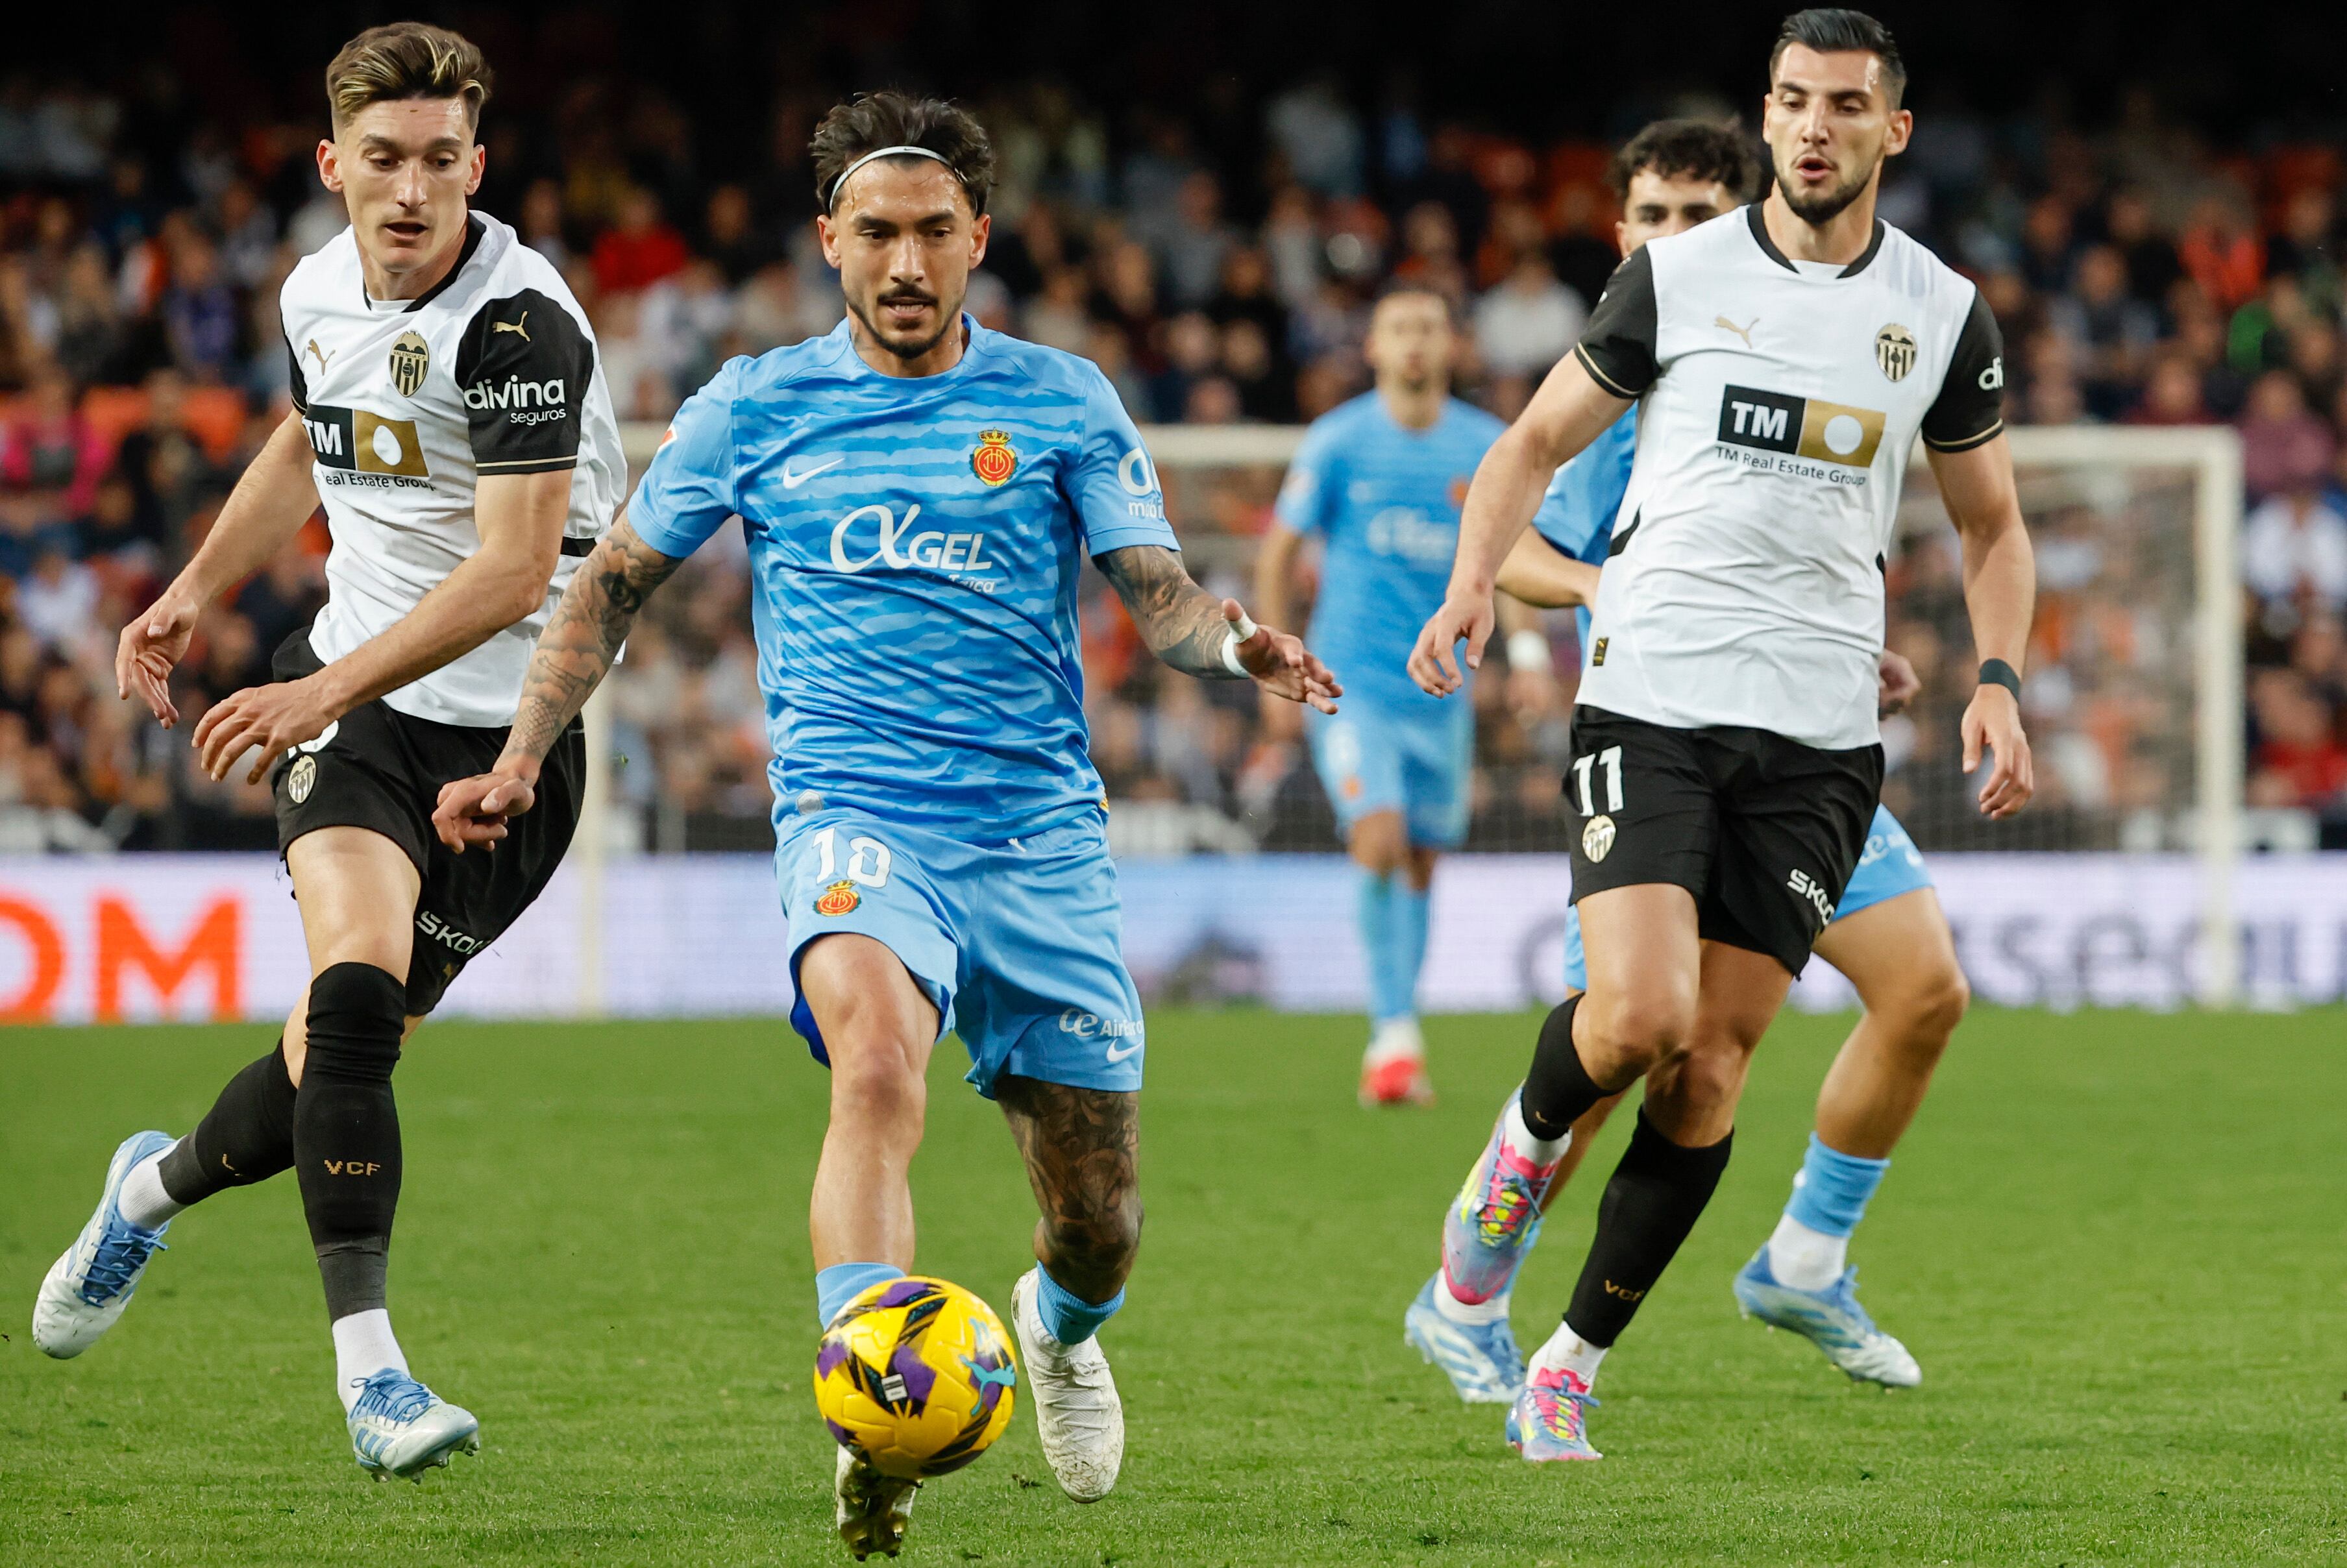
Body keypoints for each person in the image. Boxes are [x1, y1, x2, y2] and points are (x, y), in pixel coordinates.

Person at [429, 93, 1337, 1559]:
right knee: (872, 1071)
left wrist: (1237, 645)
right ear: (828, 242)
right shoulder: (752, 404)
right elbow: (609, 583)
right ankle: (875, 1420)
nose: (904, 263)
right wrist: (524, 753)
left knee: (1098, 1215)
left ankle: (1057, 1331)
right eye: (875, 234)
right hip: (857, 814)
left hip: (1036, 837)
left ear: (978, 238)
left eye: (932, 232)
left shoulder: (1061, 398)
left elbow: (1159, 595)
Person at [1409, 9, 2035, 1462]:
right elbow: (1527, 445)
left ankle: (1568, 1362)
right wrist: (1468, 581)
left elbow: (1992, 524)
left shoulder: (1940, 312)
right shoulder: (1676, 278)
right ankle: (1511, 1166)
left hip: (1820, 740)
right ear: (1766, 114)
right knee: (1636, 1017)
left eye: (1846, 105)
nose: (1815, 126)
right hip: (1655, 700)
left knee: (1708, 1068)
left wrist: (1996, 676)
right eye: (1794, 100)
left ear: (1893, 130)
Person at [32, 23, 624, 1484]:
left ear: (476, 165)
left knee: (326, 1067)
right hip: (360, 706)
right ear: (330, 164)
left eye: (440, 160)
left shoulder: (518, 326)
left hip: (515, 742)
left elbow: (514, 570)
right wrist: (196, 589)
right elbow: (311, 438)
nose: (410, 190)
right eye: (382, 159)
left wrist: (314, 690)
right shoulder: (314, 289)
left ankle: (147, 1193)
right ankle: (375, 1377)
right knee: (353, 994)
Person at [1254, 287, 1506, 1105]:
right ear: (1372, 347)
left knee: (1424, 857)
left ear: (1451, 345)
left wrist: (1532, 652)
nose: (1414, 342)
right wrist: (1271, 661)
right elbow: (1277, 553)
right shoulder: (1339, 441)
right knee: (1379, 836)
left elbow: (1514, 559)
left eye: (1428, 327)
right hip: (1352, 684)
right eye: (1399, 328)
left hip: (1442, 689)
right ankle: (1392, 1033)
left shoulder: (1485, 447)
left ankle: (1401, 1024)